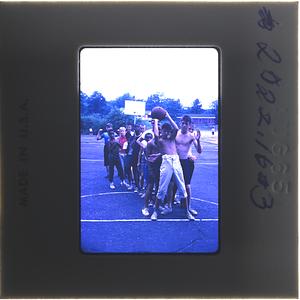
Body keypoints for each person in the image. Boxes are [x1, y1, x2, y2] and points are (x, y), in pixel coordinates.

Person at [151, 112, 194, 221]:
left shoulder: (172, 138)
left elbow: (175, 127)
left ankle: (187, 212)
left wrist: (167, 116)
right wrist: (156, 122)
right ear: (161, 131)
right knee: (162, 189)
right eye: (163, 131)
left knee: (182, 187)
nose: (165, 132)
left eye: (167, 131)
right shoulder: (159, 140)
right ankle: (155, 212)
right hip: (166, 162)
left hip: (176, 160)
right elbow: (156, 134)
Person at [175, 115, 202, 215]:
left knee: (187, 185)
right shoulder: (175, 133)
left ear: (189, 125)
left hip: (185, 161)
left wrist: (198, 140)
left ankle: (188, 206)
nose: (184, 125)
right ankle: (168, 204)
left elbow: (199, 150)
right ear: (180, 123)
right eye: (182, 123)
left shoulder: (191, 136)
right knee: (172, 184)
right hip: (175, 161)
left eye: (186, 124)